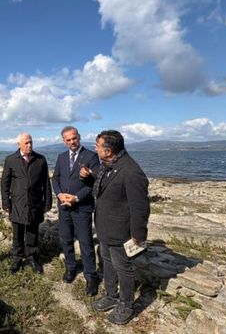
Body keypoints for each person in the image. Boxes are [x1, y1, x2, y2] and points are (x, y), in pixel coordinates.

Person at [86, 130, 150, 325]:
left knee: (124, 269)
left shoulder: (131, 171)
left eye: (97, 146)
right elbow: (107, 183)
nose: (95, 149)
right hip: (106, 229)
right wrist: (90, 174)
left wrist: (138, 235)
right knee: (107, 263)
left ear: (108, 151)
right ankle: (111, 295)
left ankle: (126, 304)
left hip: (121, 232)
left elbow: (140, 206)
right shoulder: (110, 165)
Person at [51, 126, 101, 295]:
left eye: (74, 138)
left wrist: (76, 198)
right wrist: (59, 195)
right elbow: (55, 178)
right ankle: (71, 267)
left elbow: (93, 184)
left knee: (86, 243)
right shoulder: (61, 157)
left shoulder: (91, 156)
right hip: (64, 206)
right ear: (64, 141)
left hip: (82, 207)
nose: (72, 142)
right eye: (68, 140)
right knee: (65, 239)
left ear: (79, 137)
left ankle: (91, 276)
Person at [1, 133, 52, 274]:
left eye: (31, 142)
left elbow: (46, 183)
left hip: (35, 203)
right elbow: (5, 183)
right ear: (19, 144)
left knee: (32, 232)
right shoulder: (11, 160)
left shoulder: (40, 160)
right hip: (17, 203)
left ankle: (32, 258)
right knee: (17, 233)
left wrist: (47, 203)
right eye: (26, 143)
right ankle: (16, 259)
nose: (29, 145)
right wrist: (6, 203)